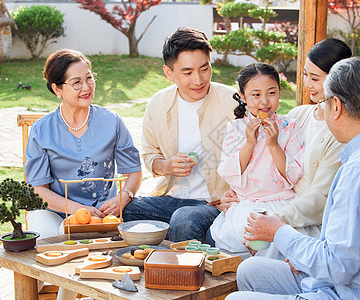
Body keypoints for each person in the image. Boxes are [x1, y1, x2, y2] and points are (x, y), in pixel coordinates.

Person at [226, 57, 360, 300]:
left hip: (349, 293)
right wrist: (301, 253)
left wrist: (278, 231)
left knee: (235, 299)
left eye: (321, 103)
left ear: (336, 106)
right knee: (249, 270)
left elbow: (337, 267)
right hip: (357, 281)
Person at [217, 39, 352, 254]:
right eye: (305, 75)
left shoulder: (337, 133)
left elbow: (318, 199)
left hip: (294, 214)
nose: (307, 84)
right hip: (252, 205)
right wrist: (235, 194)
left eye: (314, 78)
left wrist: (273, 221)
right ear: (242, 96)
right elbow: (242, 167)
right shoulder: (299, 115)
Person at [122, 27, 237, 242]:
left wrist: (239, 196)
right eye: (187, 72)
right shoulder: (158, 104)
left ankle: (177, 274)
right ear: (169, 72)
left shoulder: (234, 102)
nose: (198, 80)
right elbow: (149, 156)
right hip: (171, 198)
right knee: (124, 211)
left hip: (215, 202)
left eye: (205, 68)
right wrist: (167, 166)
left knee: (184, 219)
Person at [25, 49, 143, 239]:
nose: (86, 87)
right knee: (46, 238)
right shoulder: (41, 130)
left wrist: (123, 197)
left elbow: (134, 171)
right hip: (55, 212)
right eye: (77, 82)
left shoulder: (111, 121)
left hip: (104, 214)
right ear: (57, 89)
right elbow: (38, 189)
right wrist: (78, 210)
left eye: (89, 78)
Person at [209, 63, 304, 254]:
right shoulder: (235, 128)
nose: (264, 102)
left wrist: (274, 144)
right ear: (243, 96)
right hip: (247, 203)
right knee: (242, 234)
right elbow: (229, 171)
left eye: (271, 93)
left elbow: (293, 174)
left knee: (281, 238)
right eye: (256, 95)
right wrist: (249, 143)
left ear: (279, 92)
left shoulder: (289, 126)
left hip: (280, 201)